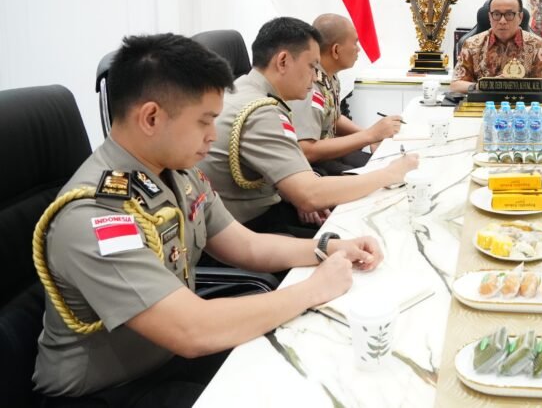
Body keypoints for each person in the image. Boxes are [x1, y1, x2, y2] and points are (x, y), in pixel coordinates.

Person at [33, 34, 379, 404]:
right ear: (151, 117)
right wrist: (314, 290)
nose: (213, 136)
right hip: (108, 391)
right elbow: (191, 330)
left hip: (166, 358)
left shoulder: (177, 172)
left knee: (303, 370)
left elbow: (246, 245)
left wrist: (326, 247)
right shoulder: (97, 216)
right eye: (204, 122)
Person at [199, 17, 417, 236]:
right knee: (365, 233)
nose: (314, 77)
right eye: (311, 66)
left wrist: (298, 194)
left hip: (259, 212)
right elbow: (310, 195)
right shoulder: (261, 111)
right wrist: (389, 174)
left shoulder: (242, 88)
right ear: (283, 61)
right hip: (247, 229)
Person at [289, 13, 402, 177]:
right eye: (355, 43)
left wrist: (372, 135)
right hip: (311, 167)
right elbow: (306, 150)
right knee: (382, 175)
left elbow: (333, 118)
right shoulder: (309, 86)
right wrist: (369, 135)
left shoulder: (329, 75)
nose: (359, 49)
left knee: (387, 162)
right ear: (336, 50)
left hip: (328, 153)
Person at [450, 0, 542, 93]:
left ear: (520, 17)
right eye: (496, 14)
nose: (502, 21)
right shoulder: (472, 44)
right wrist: (486, 85)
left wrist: (515, 86)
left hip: (522, 103)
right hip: (484, 103)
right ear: (490, 17)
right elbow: (456, 85)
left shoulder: (537, 45)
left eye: (509, 14)